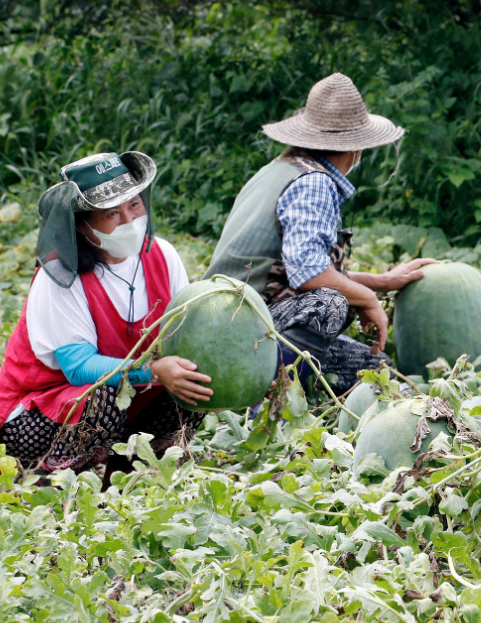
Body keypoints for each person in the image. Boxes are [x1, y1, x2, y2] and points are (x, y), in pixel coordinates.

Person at [205, 73, 434, 394]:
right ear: (355, 148)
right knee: (330, 304)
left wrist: (382, 282)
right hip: (235, 331)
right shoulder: (314, 183)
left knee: (377, 373)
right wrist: (368, 299)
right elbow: (311, 275)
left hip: (234, 322)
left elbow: (300, 268)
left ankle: (290, 387)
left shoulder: (280, 169)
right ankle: (264, 397)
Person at [0, 152, 211, 477]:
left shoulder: (162, 255)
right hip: (36, 414)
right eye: (112, 213)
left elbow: (182, 331)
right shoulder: (61, 277)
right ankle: (57, 480)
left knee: (187, 387)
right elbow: (79, 368)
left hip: (125, 398)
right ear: (83, 226)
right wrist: (154, 371)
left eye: (134, 205)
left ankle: (131, 475)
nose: (129, 220)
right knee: (103, 398)